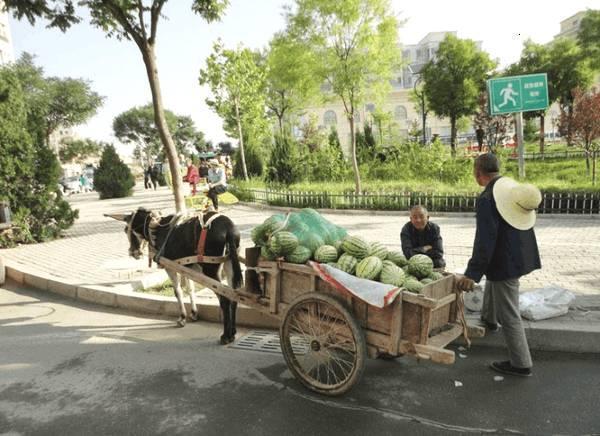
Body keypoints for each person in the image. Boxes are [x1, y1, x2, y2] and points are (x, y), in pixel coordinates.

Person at [456, 153, 541, 378]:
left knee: (510, 313)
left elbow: (485, 240)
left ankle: (521, 363)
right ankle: (488, 319)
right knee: (494, 283)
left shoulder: (487, 199)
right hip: (518, 255)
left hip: (504, 260)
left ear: (478, 173)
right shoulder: (510, 190)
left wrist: (472, 274)